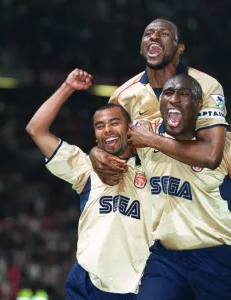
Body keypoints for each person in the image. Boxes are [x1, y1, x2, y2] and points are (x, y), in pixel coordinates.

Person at [26, 69, 152, 299]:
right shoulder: (85, 167)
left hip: (134, 286)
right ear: (95, 135)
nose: (108, 130)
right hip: (86, 284)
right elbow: (36, 129)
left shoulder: (154, 168)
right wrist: (68, 87)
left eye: (115, 122)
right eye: (100, 125)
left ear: (129, 128)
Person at [90, 18, 228, 186]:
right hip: (155, 198)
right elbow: (115, 147)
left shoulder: (206, 85)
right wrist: (96, 152)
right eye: (148, 34)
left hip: (204, 196)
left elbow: (211, 155)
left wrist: (151, 139)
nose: (154, 36)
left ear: (180, 48)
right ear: (141, 48)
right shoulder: (122, 96)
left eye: (164, 34)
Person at [132, 73, 231, 300]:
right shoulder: (144, 139)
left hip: (216, 255)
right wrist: (97, 153)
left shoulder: (223, 146)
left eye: (183, 94)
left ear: (198, 105)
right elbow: (107, 149)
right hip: (166, 257)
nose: (174, 98)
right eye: (168, 92)